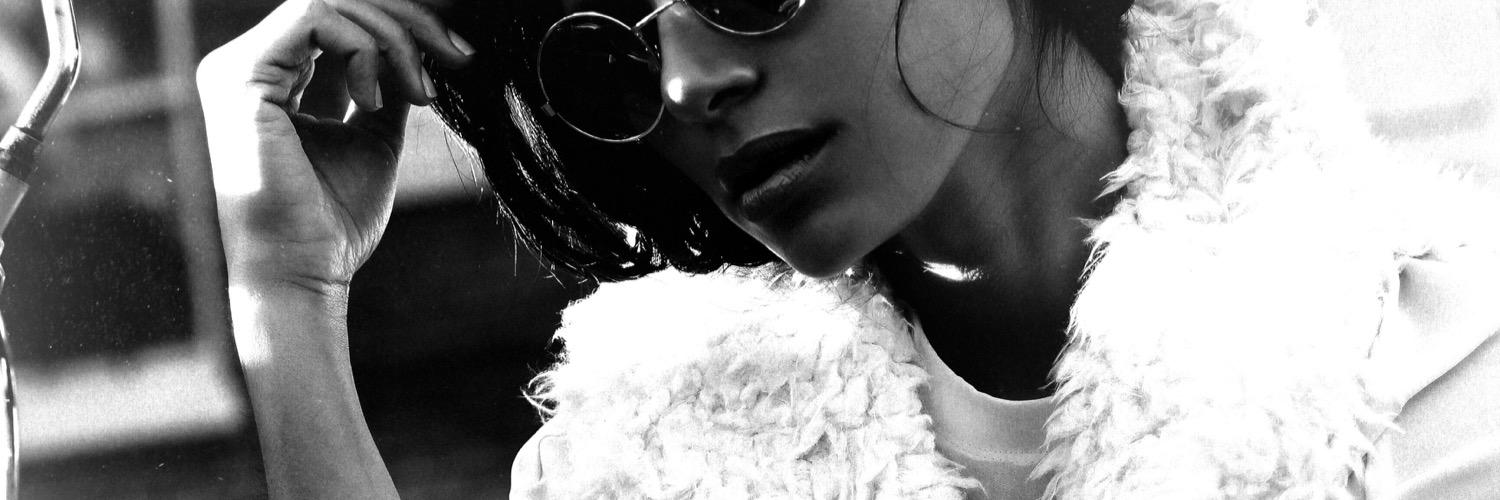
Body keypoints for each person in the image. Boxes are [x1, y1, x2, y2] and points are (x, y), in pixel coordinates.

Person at [196, 0, 1500, 497]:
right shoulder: (641, 464)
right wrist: (288, 292)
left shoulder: (1447, 358)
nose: (689, 82)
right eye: (613, 56)